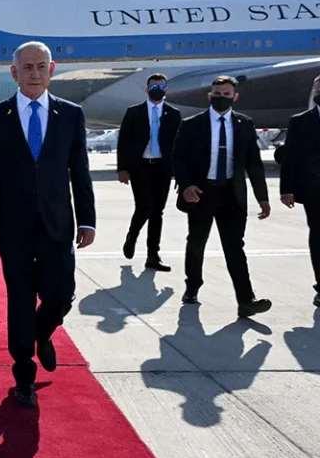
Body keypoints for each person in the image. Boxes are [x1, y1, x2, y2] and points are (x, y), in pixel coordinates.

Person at [0, 41, 96, 408]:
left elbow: (80, 169)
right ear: (13, 72)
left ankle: (42, 332)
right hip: (12, 227)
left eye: (40, 66)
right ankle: (23, 374)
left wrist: (88, 219)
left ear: (52, 69)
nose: (33, 73)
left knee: (61, 294)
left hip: (58, 223)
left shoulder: (71, 114)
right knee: (20, 299)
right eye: (26, 67)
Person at [173, 75, 271, 318]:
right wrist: (186, 185)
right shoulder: (192, 124)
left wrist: (263, 197)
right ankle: (193, 286)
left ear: (235, 97)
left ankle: (246, 300)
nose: (221, 97)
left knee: (235, 247)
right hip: (201, 193)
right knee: (196, 243)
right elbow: (178, 158)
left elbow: (254, 163)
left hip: (232, 194)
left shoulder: (244, 124)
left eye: (226, 94)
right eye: (217, 93)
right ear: (210, 95)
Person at [116, 73, 181, 271]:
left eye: (161, 87)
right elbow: (124, 142)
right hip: (140, 166)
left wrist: (180, 173)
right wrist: (122, 168)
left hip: (162, 167)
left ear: (166, 90)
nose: (157, 90)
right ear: (147, 89)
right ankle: (132, 236)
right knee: (144, 207)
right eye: (154, 87)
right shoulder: (134, 112)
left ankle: (153, 255)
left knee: (157, 212)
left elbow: (178, 146)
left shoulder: (173, 114)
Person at [279, 74, 320, 306]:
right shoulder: (300, 121)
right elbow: (291, 157)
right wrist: (287, 189)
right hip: (315, 190)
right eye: (318, 90)